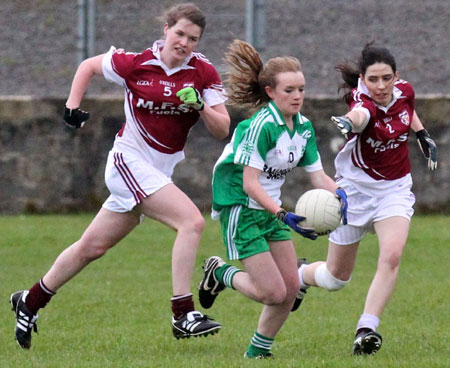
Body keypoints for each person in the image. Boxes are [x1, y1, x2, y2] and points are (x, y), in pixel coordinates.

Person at [10, 3, 230, 349]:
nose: (184, 42)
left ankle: (30, 300)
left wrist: (200, 105)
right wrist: (72, 106)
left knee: (91, 247)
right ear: (166, 30)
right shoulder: (136, 63)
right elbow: (89, 66)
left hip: (155, 173)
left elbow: (222, 129)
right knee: (192, 222)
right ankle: (182, 313)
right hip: (128, 162)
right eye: (180, 33)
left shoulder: (203, 73)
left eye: (193, 38)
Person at [197, 39, 348, 359]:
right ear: (270, 92)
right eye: (289, 90)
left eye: (301, 89)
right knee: (272, 292)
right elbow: (250, 184)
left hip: (270, 209)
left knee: (291, 289)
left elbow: (318, 176)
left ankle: (257, 353)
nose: (297, 96)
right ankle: (220, 272)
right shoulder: (261, 127)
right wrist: (283, 214)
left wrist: (340, 194)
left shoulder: (304, 128)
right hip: (241, 208)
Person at [293, 42, 438, 355]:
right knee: (335, 279)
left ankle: (366, 329)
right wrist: (349, 122)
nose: (381, 86)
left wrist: (422, 134)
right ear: (362, 79)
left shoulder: (405, 91)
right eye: (373, 79)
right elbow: (361, 116)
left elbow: (407, 110)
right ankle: (299, 275)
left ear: (396, 76)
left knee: (393, 255)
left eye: (387, 78)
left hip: (394, 190)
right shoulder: (361, 101)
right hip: (354, 193)